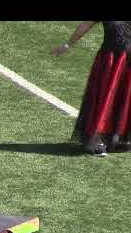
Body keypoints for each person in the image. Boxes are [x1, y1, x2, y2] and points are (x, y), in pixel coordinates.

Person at [51, 21, 131, 156]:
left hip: (128, 59)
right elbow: (85, 25)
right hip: (111, 60)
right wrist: (67, 44)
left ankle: (119, 137)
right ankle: (96, 139)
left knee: (125, 98)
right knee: (105, 99)